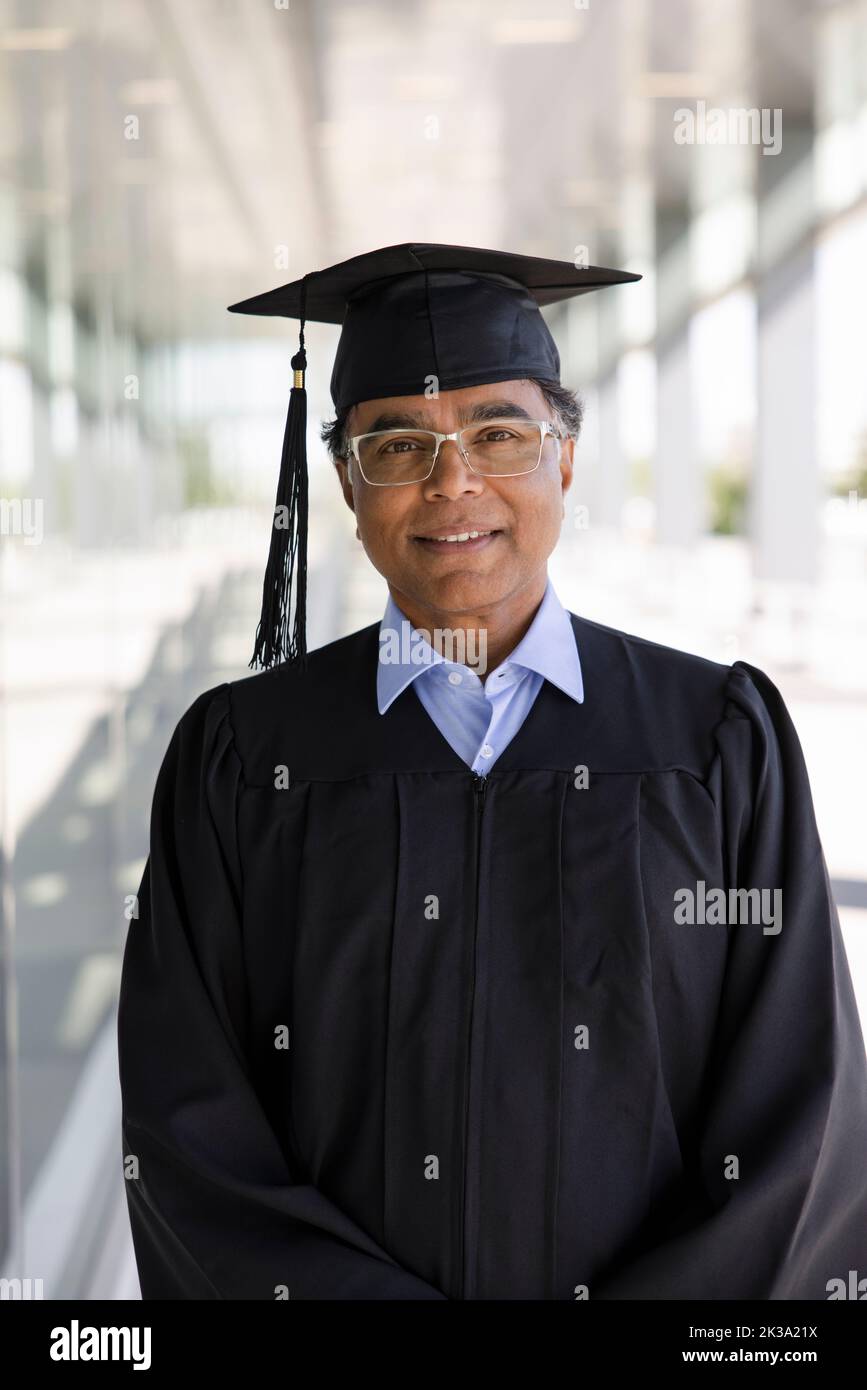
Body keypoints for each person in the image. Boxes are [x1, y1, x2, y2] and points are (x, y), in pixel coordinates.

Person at [117, 242, 867, 1300]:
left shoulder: (714, 739)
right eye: (398, 444)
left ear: (565, 458)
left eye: (499, 432)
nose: (452, 479)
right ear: (344, 481)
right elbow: (187, 1123)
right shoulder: (242, 761)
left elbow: (804, 1110)